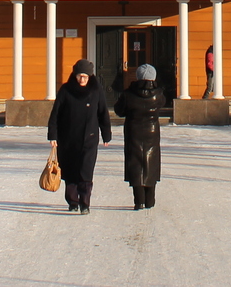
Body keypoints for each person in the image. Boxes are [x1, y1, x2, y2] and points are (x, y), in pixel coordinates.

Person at [47, 58, 111, 213]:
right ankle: (73, 202)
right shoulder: (66, 90)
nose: (82, 79)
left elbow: (103, 113)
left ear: (90, 77)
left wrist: (106, 134)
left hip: (89, 138)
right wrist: (53, 136)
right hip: (68, 139)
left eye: (85, 77)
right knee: (70, 170)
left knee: (86, 171)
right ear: (75, 75)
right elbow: (55, 114)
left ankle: (85, 203)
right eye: (79, 76)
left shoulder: (96, 91)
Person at [114, 63, 164, 210]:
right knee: (151, 164)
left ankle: (138, 201)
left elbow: (119, 110)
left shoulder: (128, 94)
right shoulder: (158, 94)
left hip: (133, 132)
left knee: (135, 164)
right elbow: (162, 104)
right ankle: (150, 200)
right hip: (152, 133)